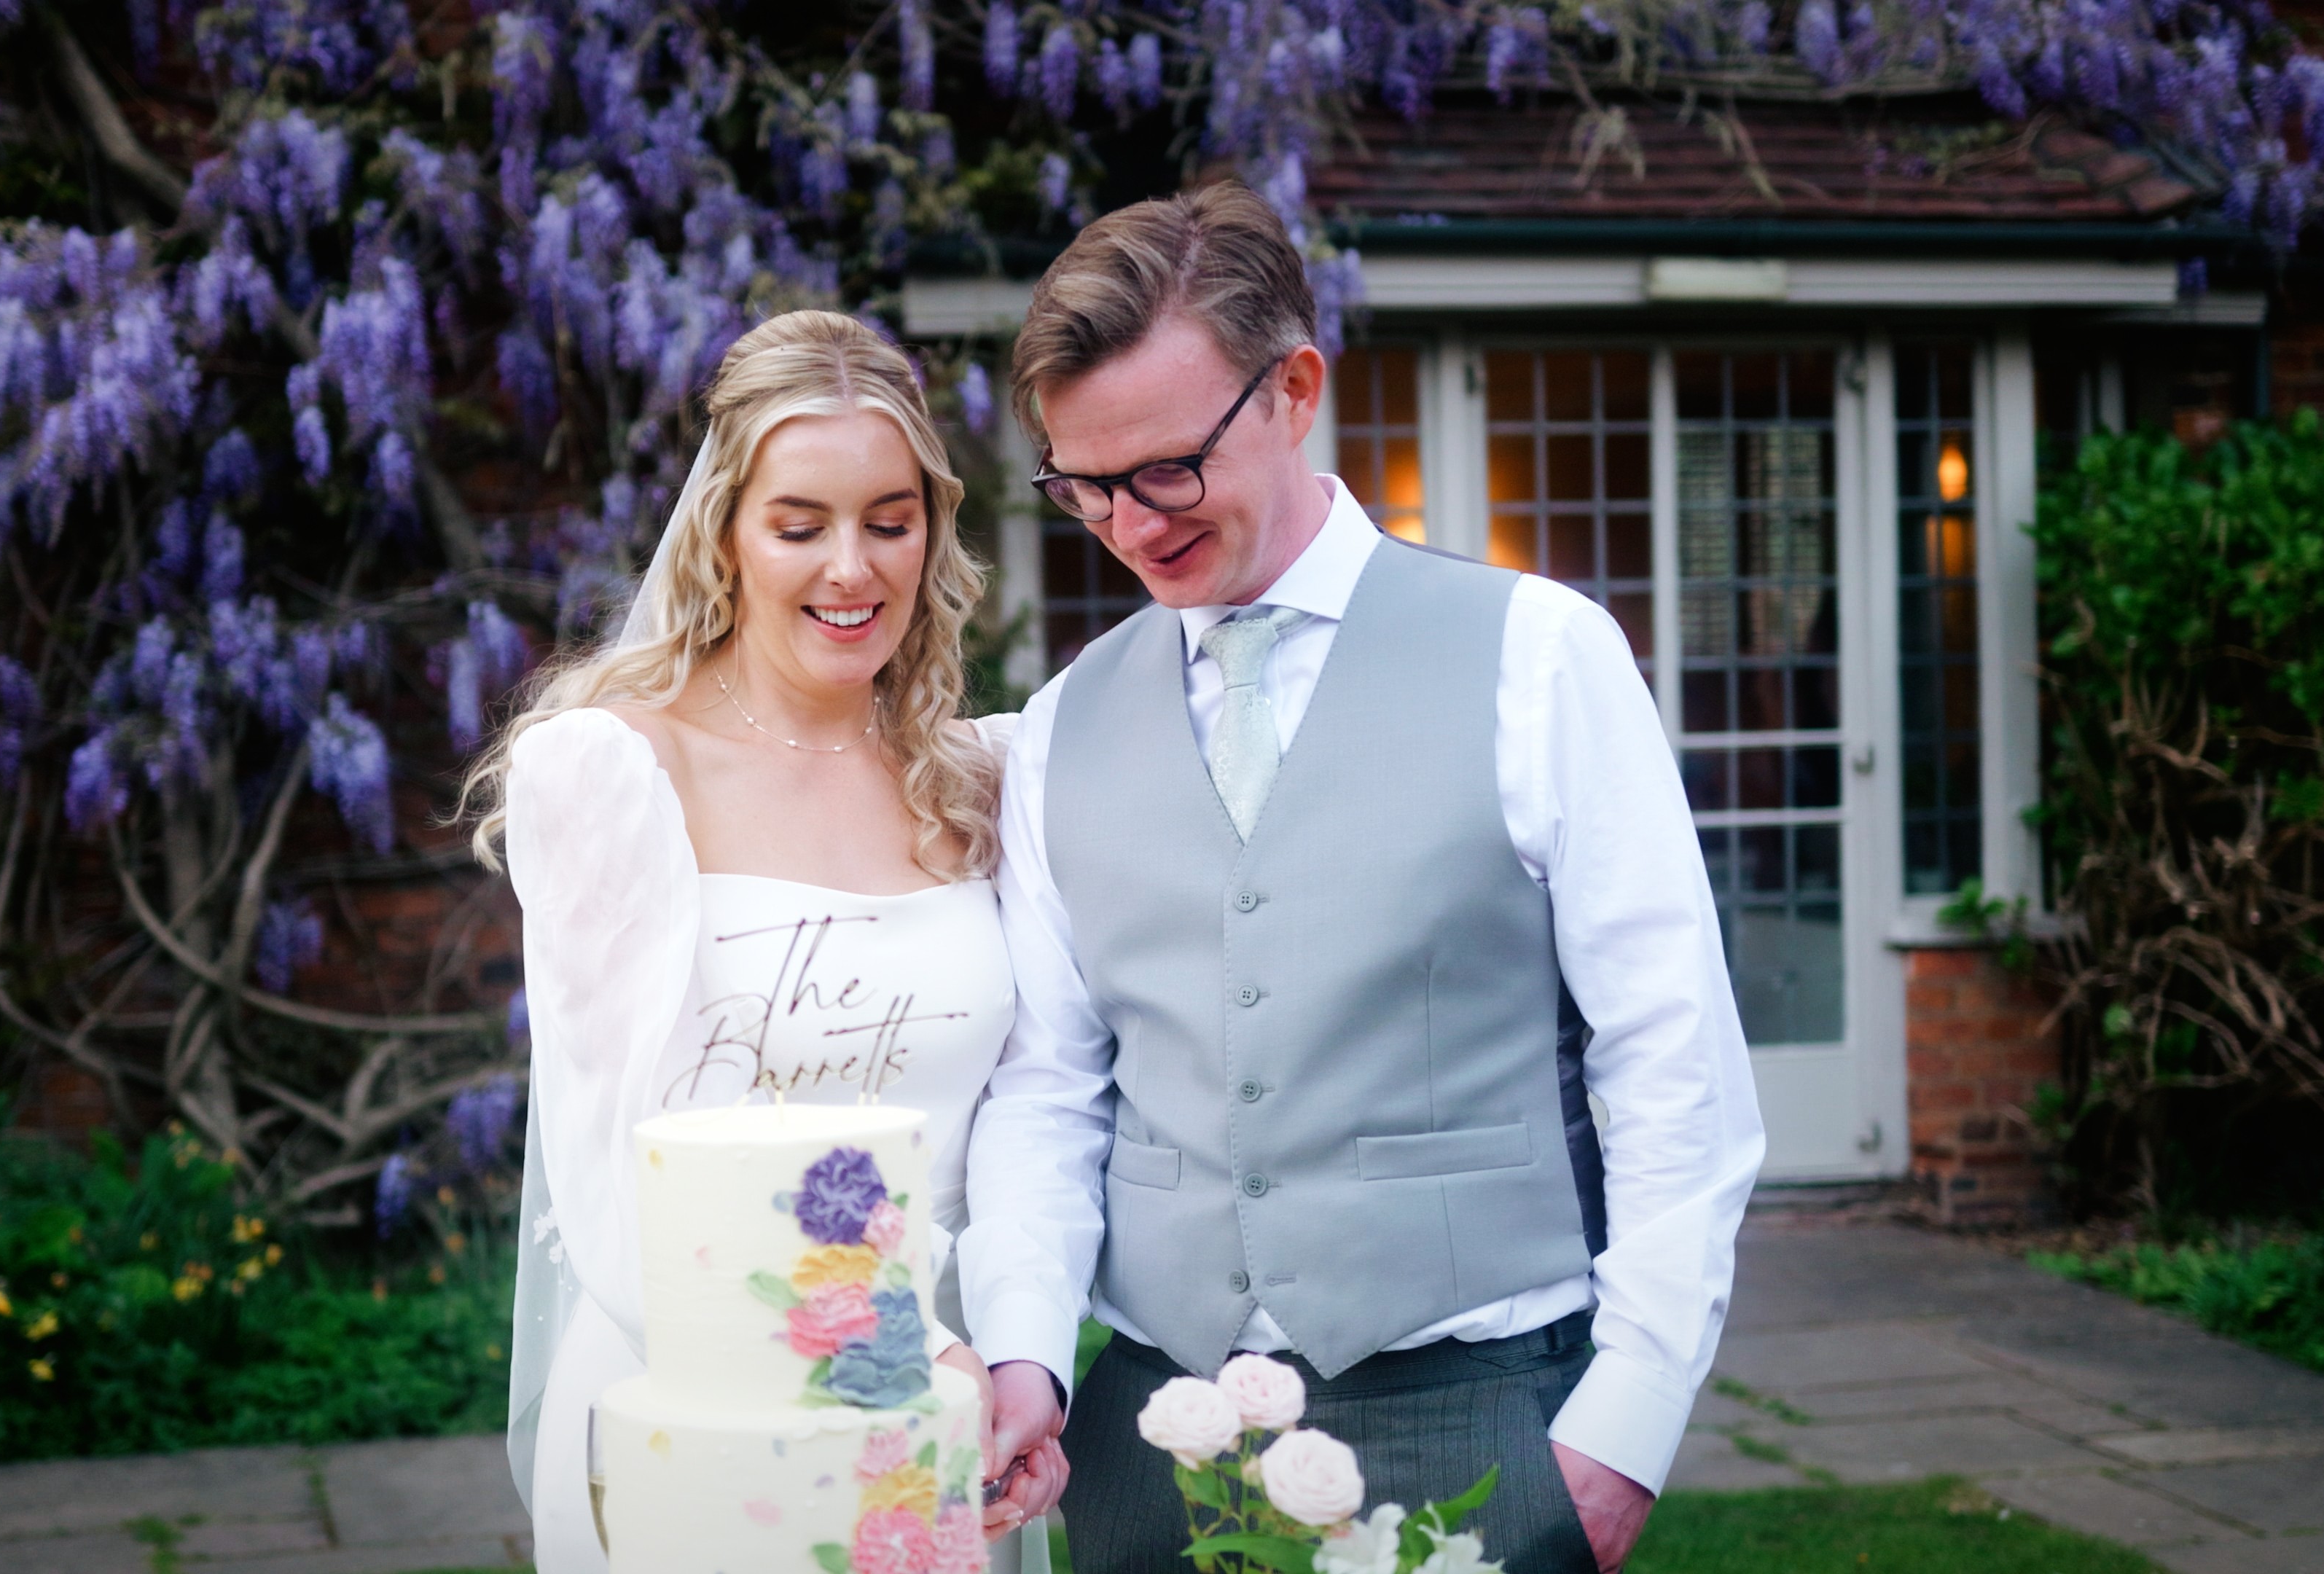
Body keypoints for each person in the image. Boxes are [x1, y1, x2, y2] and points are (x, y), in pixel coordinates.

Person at [955, 185, 1767, 1574]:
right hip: (1148, 1439)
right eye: (1084, 487)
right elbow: (1048, 1087)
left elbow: (1674, 1057)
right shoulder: (1063, 727)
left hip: (1480, 1415)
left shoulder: (1541, 655)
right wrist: (1028, 1353)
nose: (1131, 526)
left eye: (1165, 469)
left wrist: (1620, 1433)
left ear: (1295, 391)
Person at [463, 310, 1060, 1573]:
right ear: (725, 533)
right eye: (802, 526)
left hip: (950, 1421)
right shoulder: (617, 769)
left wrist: (1008, 1357)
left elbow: (1035, 1108)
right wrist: (893, 1349)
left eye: (890, 522)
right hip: (704, 1410)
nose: (852, 568)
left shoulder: (987, 778)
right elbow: (608, 1178)